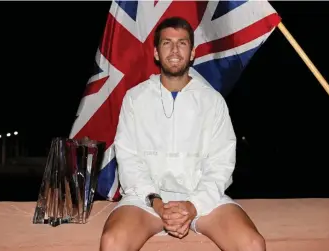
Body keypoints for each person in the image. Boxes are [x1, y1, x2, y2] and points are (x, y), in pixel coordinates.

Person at [100, 16, 265, 251]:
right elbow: (128, 160)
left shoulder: (212, 101)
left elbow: (221, 165)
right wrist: (156, 203)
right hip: (146, 201)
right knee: (112, 242)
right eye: (167, 43)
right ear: (156, 52)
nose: (175, 50)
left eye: (182, 43)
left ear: (192, 52)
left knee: (252, 244)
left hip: (202, 201)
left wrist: (193, 205)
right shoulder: (135, 99)